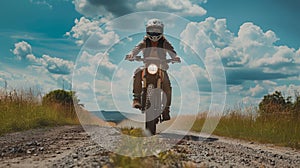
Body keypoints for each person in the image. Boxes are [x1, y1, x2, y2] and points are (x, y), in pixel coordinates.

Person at [126, 18, 181, 121]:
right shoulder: (145, 41)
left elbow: (172, 50)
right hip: (147, 66)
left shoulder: (164, 42)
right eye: (152, 30)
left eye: (157, 31)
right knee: (138, 72)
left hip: (161, 67)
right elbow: (136, 48)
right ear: (147, 30)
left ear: (162, 31)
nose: (154, 33)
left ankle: (166, 109)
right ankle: (136, 98)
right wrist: (131, 54)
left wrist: (175, 57)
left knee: (167, 86)